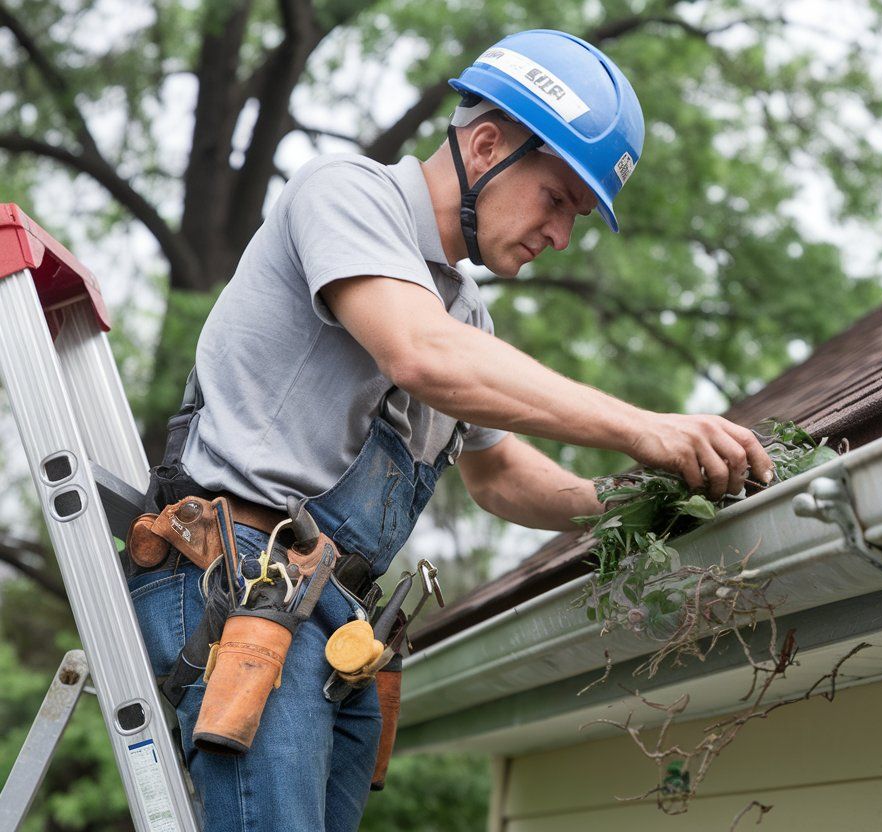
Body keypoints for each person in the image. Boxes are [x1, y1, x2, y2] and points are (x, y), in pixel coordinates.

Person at [128, 28, 772, 831]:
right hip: (239, 582)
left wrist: (635, 503)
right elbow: (421, 355)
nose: (561, 236)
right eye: (557, 198)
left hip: (329, 624)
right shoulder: (346, 195)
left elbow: (499, 476)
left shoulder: (464, 313)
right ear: (488, 143)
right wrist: (646, 428)